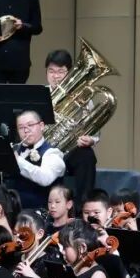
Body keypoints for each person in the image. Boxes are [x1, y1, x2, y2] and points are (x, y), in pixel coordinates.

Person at [45, 49, 98, 197]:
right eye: (51, 71)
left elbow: (94, 127)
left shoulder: (81, 96)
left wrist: (90, 139)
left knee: (87, 155)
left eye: (60, 71)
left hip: (70, 149)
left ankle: (84, 204)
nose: (55, 76)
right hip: (45, 149)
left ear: (69, 74)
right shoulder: (39, 94)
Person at [11, 110, 65, 210]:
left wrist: (17, 160)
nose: (26, 130)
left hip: (40, 213)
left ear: (41, 126)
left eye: (30, 125)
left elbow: (45, 179)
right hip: (13, 210)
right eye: (21, 127)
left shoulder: (53, 153)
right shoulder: (15, 149)